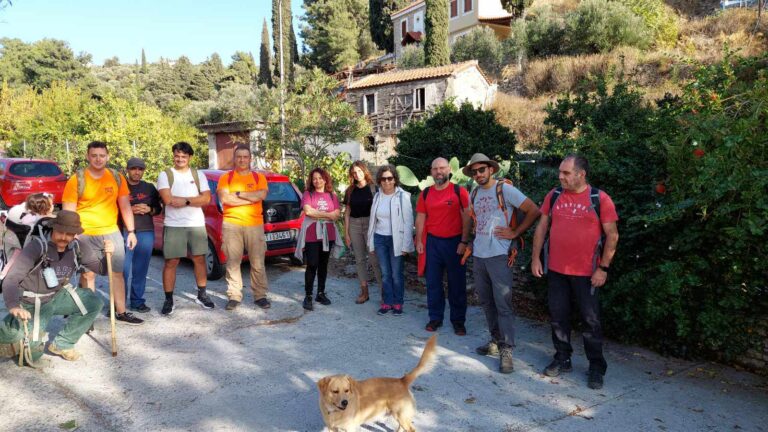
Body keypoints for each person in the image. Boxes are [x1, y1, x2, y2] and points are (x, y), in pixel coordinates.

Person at [531, 154, 619, 390]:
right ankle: (562, 358)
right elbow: (541, 227)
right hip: (557, 270)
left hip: (587, 273)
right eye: (560, 172)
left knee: (591, 321)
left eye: (566, 173)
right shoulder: (555, 195)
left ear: (581, 174)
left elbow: (613, 235)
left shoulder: (599, 199)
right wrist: (535, 258)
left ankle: (596, 368)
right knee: (558, 318)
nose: (560, 177)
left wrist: (603, 268)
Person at [463, 153, 541, 374]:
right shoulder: (475, 192)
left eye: (482, 170)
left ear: (491, 170)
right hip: (480, 254)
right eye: (475, 171)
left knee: (503, 304)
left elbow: (534, 210)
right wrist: (467, 242)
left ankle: (507, 349)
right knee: (487, 302)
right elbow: (472, 218)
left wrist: (515, 231)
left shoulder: (504, 189)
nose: (478, 174)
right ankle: (496, 341)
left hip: (499, 254)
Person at [0, 210, 109, 363]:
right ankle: (9, 328)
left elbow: (103, 269)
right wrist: (14, 306)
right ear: (53, 228)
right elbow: (11, 279)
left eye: (69, 234)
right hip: (32, 302)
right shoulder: (36, 247)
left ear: (75, 234)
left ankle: (62, 344)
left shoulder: (78, 247)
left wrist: (109, 255)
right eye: (60, 232)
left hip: (57, 295)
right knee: (31, 356)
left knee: (93, 303)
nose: (64, 237)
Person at [62, 141, 143, 326]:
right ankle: (88, 314)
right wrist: (71, 233)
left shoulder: (116, 177)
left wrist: (131, 231)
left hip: (111, 232)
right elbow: (68, 210)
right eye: (94, 155)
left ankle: (121, 311)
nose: (98, 159)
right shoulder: (77, 179)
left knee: (117, 273)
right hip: (84, 234)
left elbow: (124, 205)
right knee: (88, 275)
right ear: (87, 156)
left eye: (102, 155)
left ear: (108, 156)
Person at [415, 157, 472, 335]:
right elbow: (421, 218)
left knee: (457, 284)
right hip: (432, 243)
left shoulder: (459, 191)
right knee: (433, 283)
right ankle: (435, 318)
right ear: (431, 172)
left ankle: (458, 321)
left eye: (442, 168)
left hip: (455, 243)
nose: (438, 172)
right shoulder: (425, 193)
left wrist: (464, 241)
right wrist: (418, 241)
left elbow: (467, 218)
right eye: (435, 169)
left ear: (449, 170)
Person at [156, 141, 214, 315]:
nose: (180, 159)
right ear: (173, 156)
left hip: (196, 224)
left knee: (199, 259)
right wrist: (195, 198)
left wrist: (186, 201)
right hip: (174, 225)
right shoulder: (165, 175)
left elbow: (207, 199)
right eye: (177, 155)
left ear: (189, 157)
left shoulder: (198, 175)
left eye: (184, 156)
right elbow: (168, 199)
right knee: (171, 262)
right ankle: (169, 300)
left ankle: (202, 295)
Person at [216, 144, 270, 311]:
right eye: (239, 156)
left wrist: (238, 194)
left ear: (250, 158)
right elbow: (226, 199)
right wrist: (251, 199)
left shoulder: (258, 178)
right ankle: (234, 296)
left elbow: (261, 195)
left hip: (255, 225)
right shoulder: (226, 178)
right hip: (232, 225)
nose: (242, 160)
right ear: (235, 158)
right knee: (233, 262)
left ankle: (260, 295)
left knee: (258, 262)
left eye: (245, 157)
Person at [366, 165, 414, 316]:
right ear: (379, 181)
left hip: (396, 240)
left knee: (396, 273)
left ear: (395, 179)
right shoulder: (377, 196)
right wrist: (371, 242)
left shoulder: (403, 196)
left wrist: (406, 244)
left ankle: (398, 303)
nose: (387, 182)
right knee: (385, 274)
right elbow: (373, 222)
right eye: (383, 179)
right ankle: (387, 302)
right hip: (380, 238)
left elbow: (408, 222)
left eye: (390, 178)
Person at [294, 168, 340, 311]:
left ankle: (320, 293)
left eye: (320, 178)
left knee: (323, 264)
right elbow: (308, 211)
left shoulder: (332, 195)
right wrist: (327, 214)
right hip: (312, 234)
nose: (317, 181)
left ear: (325, 179)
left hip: (328, 234)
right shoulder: (308, 194)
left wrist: (318, 214)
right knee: (312, 263)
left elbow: (336, 215)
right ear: (311, 180)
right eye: (314, 178)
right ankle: (308, 295)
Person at [122, 157, 162, 313]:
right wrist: (128, 210)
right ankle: (119, 303)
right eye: (133, 169)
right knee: (122, 270)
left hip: (146, 231)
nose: (137, 172)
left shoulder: (149, 188)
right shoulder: (120, 186)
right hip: (124, 231)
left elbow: (158, 208)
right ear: (128, 170)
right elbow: (111, 209)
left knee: (141, 269)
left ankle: (137, 301)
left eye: (140, 169)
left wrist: (149, 210)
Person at [343, 161, 382, 304]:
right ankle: (364, 292)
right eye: (354, 172)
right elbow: (347, 212)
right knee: (359, 260)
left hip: (370, 225)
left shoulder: (374, 189)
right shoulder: (350, 191)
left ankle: (384, 293)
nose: (357, 174)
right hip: (354, 225)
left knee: (374, 259)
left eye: (359, 171)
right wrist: (346, 233)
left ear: (364, 171)